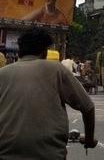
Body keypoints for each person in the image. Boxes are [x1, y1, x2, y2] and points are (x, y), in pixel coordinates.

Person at [0, 28, 97, 159]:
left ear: (20, 51)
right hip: (50, 154)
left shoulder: (3, 73)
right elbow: (88, 107)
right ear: (44, 52)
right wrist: (89, 140)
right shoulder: (56, 69)